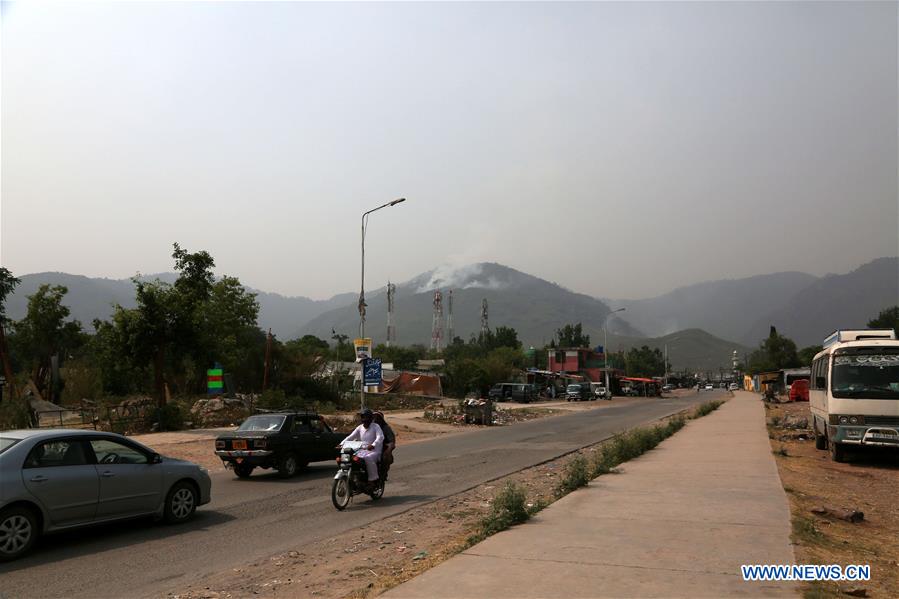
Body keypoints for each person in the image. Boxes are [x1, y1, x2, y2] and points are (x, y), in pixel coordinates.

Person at [340, 408, 384, 483]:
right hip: (363, 450)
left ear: (370, 418)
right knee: (351, 457)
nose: (364, 419)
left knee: (368, 458)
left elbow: (380, 437)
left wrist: (373, 445)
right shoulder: (360, 427)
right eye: (363, 417)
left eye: (366, 417)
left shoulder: (376, 426)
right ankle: (356, 475)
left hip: (374, 451)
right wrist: (341, 444)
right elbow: (351, 437)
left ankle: (372, 479)